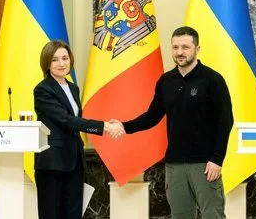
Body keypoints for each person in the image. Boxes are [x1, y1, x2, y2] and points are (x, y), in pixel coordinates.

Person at [115, 26, 233, 219]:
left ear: (197, 49)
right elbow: (152, 116)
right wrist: (124, 126)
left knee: (213, 215)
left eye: (185, 47)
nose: (180, 52)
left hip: (205, 165)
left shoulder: (213, 80)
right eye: (175, 47)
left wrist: (217, 159)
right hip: (174, 164)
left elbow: (225, 121)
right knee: (180, 215)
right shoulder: (166, 81)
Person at [33, 40, 124, 219]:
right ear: (47, 63)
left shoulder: (73, 88)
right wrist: (104, 126)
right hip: (52, 163)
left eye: (65, 58)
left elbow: (74, 121)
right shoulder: (42, 90)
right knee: (51, 214)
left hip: (74, 161)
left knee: (74, 214)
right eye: (55, 60)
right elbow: (66, 120)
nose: (61, 63)